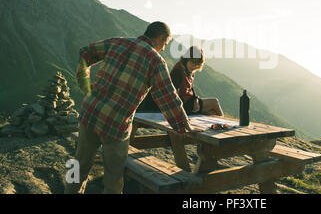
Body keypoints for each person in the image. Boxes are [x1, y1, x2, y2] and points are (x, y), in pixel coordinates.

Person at [64, 21, 202, 194]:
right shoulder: (156, 61)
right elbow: (168, 97)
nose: (164, 49)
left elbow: (85, 52)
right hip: (115, 125)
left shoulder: (117, 42)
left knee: (78, 164)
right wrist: (184, 125)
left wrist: (85, 83)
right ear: (160, 38)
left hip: (90, 113)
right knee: (113, 177)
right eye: (165, 44)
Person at [138, 46, 224, 117]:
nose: (194, 66)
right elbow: (172, 91)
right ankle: (223, 127)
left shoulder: (188, 70)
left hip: (187, 101)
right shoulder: (178, 72)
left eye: (198, 64)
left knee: (210, 112)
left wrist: (196, 99)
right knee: (214, 103)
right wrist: (193, 102)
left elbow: (190, 87)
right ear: (187, 59)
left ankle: (219, 126)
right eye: (193, 62)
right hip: (182, 105)